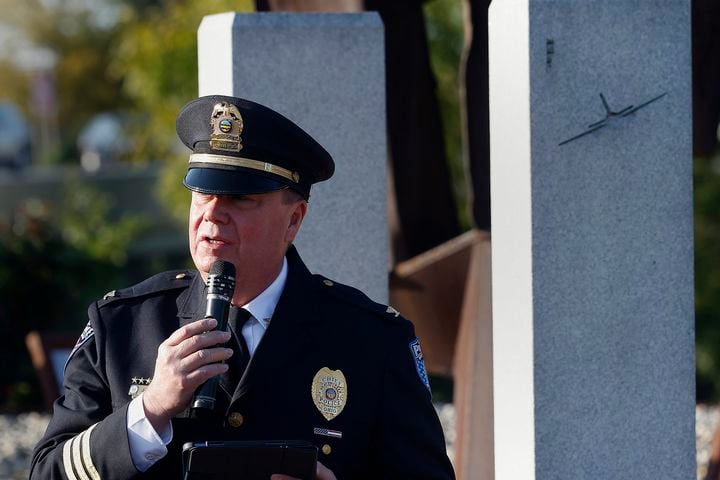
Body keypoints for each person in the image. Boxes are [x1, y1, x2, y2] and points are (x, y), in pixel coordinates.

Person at [30, 95, 455, 479]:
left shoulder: (373, 340)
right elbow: (46, 472)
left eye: (240, 199)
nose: (212, 216)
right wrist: (150, 409)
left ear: (294, 219)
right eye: (202, 195)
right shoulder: (121, 326)